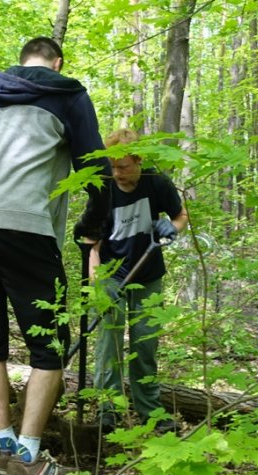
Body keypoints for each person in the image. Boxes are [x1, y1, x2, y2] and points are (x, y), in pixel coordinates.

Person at [0, 36, 110, 475]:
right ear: (56, 62)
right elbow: (96, 166)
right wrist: (94, 226)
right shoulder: (67, 92)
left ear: (22, 61)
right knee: (49, 343)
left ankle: (3, 448)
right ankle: (28, 458)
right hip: (26, 226)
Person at [89, 128, 188, 434]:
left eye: (123, 166)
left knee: (145, 344)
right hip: (111, 275)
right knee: (109, 344)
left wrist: (171, 227)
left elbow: (181, 215)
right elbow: (91, 243)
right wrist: (97, 281)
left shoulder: (156, 183)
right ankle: (109, 410)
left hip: (148, 274)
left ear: (138, 161)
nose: (117, 173)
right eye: (113, 167)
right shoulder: (103, 190)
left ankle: (150, 411)